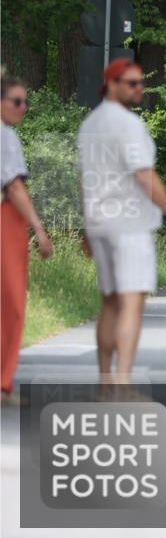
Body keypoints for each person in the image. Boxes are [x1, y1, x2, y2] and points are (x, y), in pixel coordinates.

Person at [77, 59, 166, 387]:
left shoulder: (90, 125)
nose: (139, 88)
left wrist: (86, 224)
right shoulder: (128, 124)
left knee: (109, 301)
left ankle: (105, 381)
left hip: (100, 222)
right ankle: (122, 383)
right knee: (132, 302)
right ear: (111, 83)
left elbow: (85, 179)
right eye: (131, 83)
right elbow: (143, 174)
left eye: (140, 83)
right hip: (128, 223)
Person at [1, 76, 53, 405]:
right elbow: (15, 188)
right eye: (17, 101)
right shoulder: (5, 137)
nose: (23, 108)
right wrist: (39, 229)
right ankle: (2, 381)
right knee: (11, 304)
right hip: (5, 221)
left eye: (25, 102)